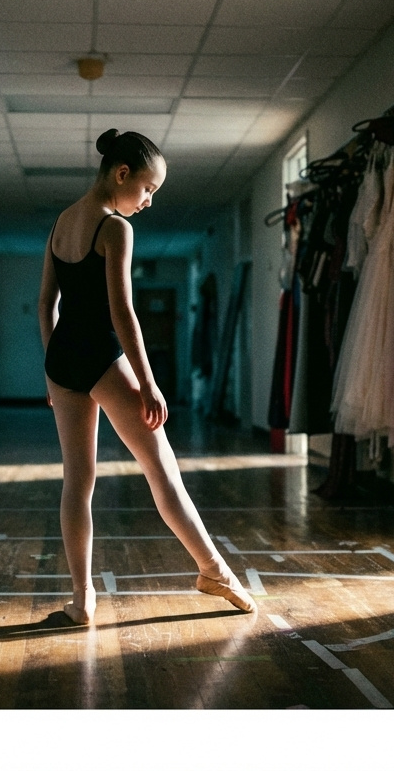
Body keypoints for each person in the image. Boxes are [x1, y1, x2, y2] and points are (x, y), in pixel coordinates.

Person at [38, 128, 257, 625]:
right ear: (121, 174)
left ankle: (81, 600)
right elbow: (123, 313)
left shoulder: (60, 223)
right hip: (99, 354)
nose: (149, 202)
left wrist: (53, 367)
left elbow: (45, 306)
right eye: (148, 189)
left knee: (78, 481)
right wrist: (150, 381)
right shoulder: (115, 228)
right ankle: (214, 569)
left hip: (63, 358)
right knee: (162, 469)